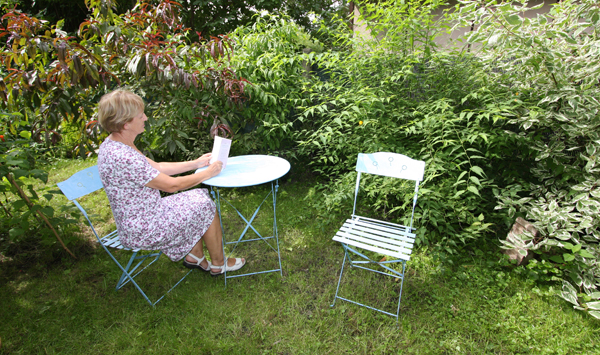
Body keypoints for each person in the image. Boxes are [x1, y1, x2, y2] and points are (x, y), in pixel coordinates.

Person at [96, 89, 245, 275]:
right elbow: (171, 185)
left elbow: (156, 167)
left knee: (198, 198)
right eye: (140, 115)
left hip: (145, 214)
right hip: (143, 227)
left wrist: (196, 163)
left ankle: (196, 257)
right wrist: (207, 173)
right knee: (205, 204)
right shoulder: (124, 157)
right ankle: (219, 263)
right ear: (126, 124)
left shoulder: (114, 144)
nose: (145, 118)